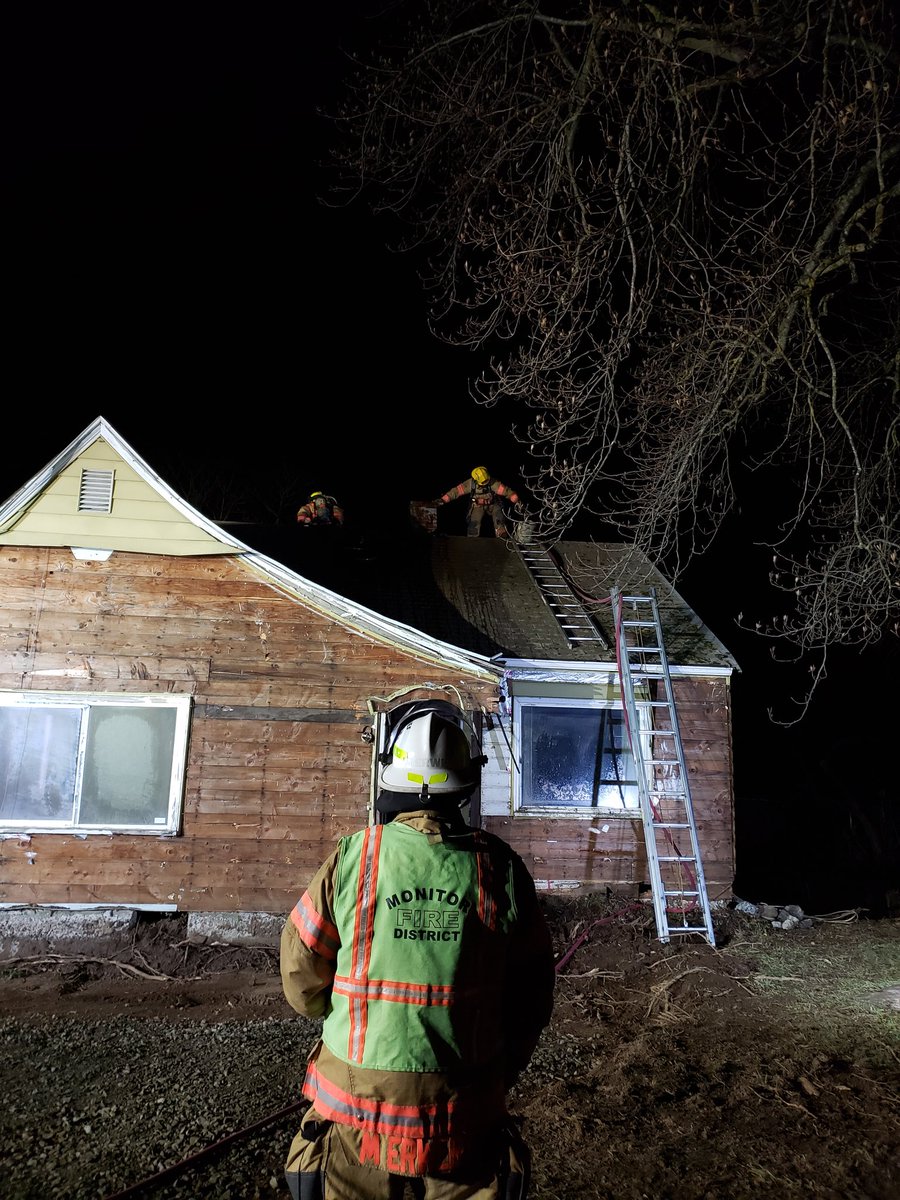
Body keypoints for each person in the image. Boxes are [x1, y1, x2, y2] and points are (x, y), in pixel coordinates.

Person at [280, 701, 555, 1200]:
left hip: (356, 1100)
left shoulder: (353, 858)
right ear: (467, 782)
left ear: (390, 776)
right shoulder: (501, 870)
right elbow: (532, 996)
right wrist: (501, 1066)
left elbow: (301, 973)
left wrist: (336, 1012)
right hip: (464, 1105)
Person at [436, 466, 520, 538]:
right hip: (477, 505)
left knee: (499, 517)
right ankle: (472, 541)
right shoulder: (470, 484)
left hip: (493, 504)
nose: (485, 483)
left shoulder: (493, 483)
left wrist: (514, 497)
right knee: (474, 523)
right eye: (482, 482)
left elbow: (506, 491)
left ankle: (502, 536)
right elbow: (456, 491)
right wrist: (443, 500)